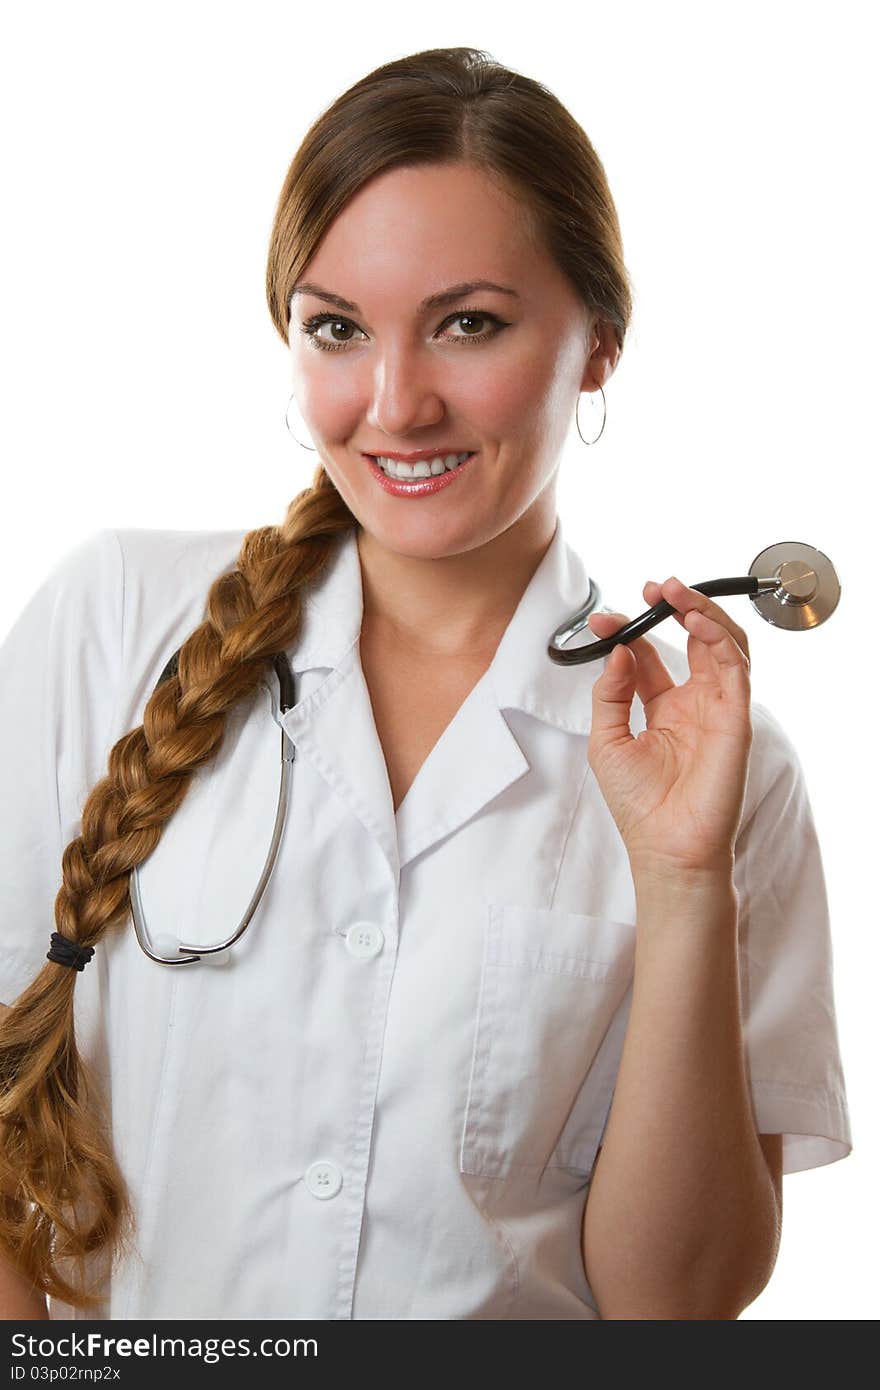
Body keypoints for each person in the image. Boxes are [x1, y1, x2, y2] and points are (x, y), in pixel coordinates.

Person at [0, 45, 852, 1322]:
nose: (393, 405)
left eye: (468, 324)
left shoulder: (727, 769)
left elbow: (674, 1307)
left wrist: (681, 884)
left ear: (600, 343)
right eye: (336, 328)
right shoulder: (116, 621)